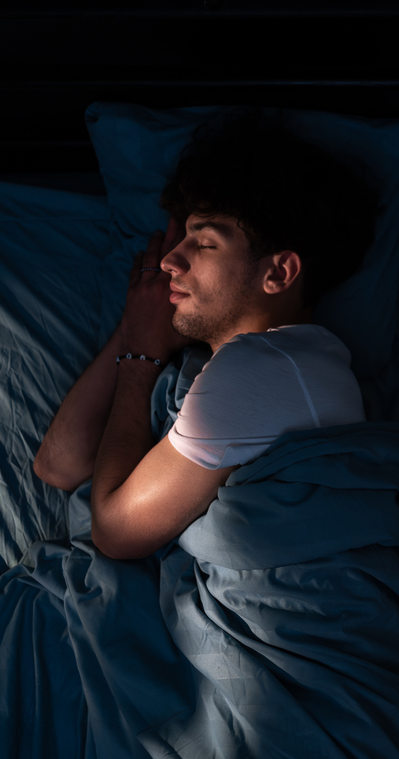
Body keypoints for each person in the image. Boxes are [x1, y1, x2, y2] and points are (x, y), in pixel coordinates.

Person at [32, 110, 379, 559]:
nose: (170, 263)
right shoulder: (219, 364)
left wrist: (139, 356)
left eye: (205, 242)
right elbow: (57, 465)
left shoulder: (267, 370)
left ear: (278, 272)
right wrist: (136, 329)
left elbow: (116, 533)